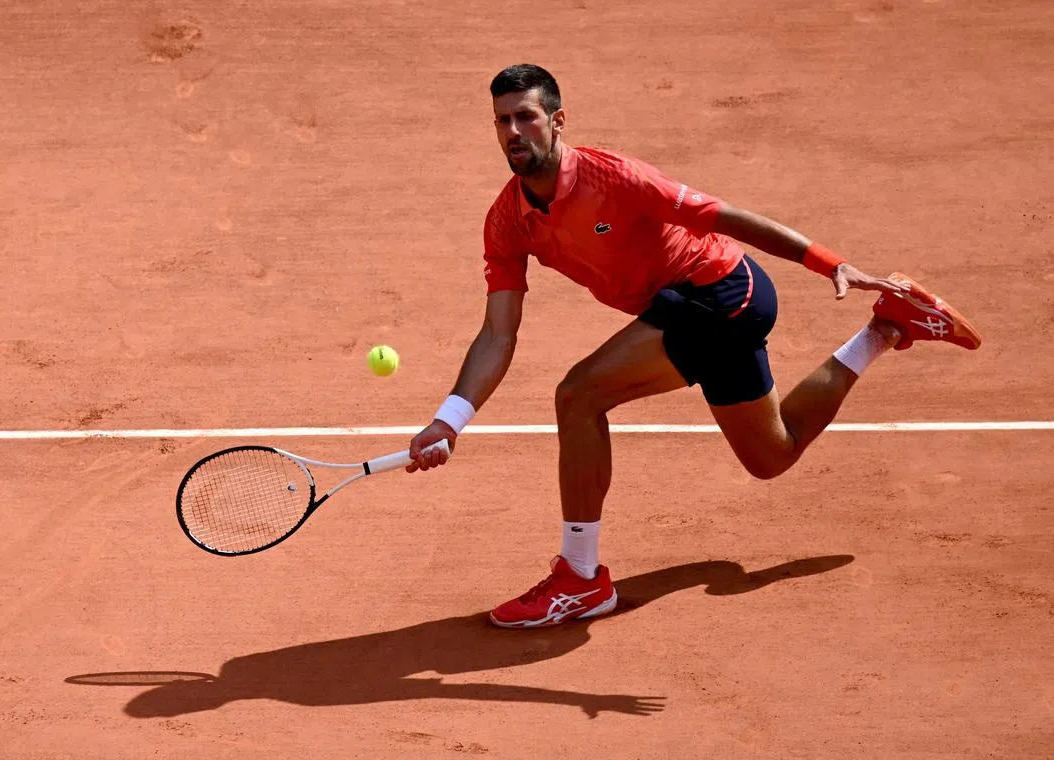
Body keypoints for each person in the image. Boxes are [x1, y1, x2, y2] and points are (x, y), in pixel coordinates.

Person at [405, 63, 981, 629]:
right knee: (772, 456)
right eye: (502, 120)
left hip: (721, 292)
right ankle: (886, 329)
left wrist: (832, 263)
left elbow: (725, 217)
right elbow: (498, 332)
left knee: (579, 395)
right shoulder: (508, 220)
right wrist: (449, 421)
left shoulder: (615, 178)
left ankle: (580, 578)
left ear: (557, 121)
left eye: (526, 117)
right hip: (687, 311)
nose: (513, 131)